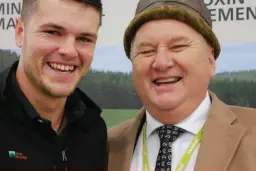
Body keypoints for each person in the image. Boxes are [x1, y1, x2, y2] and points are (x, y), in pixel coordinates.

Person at [107, 0, 256, 170]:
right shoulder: (105, 147)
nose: (161, 62)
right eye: (147, 51)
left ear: (210, 60)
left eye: (178, 47)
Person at [0, 0, 107, 170]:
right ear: (20, 32)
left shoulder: (94, 130)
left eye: (84, 38)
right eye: (53, 32)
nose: (69, 50)